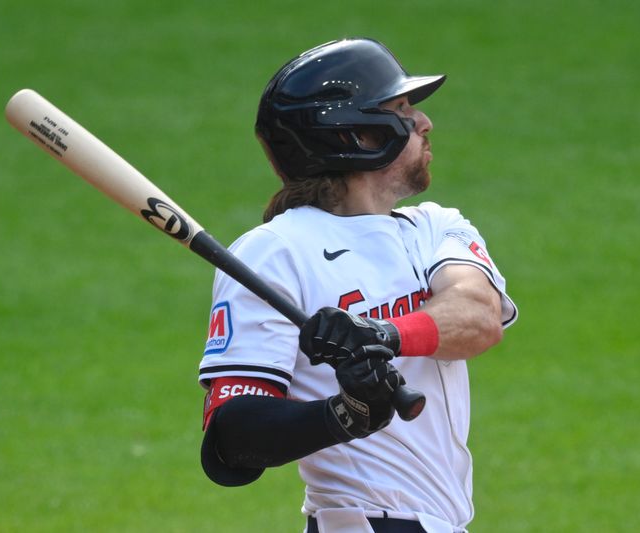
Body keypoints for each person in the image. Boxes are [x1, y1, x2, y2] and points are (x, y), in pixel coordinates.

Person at [197, 38, 518, 533]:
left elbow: (478, 317)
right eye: (403, 109)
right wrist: (344, 414)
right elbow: (233, 439)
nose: (425, 123)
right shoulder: (276, 251)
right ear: (359, 134)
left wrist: (379, 336)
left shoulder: (435, 227)